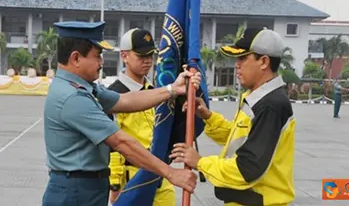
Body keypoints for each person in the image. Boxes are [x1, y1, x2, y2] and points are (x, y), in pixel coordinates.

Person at [42, 21, 200, 206]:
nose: (101, 63)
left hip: (86, 186)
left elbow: (125, 100)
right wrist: (171, 173)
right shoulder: (73, 97)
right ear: (76, 58)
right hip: (75, 191)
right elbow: (120, 142)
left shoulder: (83, 88)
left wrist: (172, 89)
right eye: (97, 56)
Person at [170, 28, 296, 206]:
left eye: (243, 58)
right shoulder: (257, 98)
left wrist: (200, 162)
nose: (236, 64)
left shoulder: (271, 105)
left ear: (264, 62)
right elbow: (239, 139)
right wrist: (208, 117)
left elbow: (247, 169)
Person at [107, 28, 175, 205]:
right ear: (124, 56)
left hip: (161, 177)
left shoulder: (155, 92)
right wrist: (114, 184)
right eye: (141, 56)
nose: (147, 61)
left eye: (150, 55)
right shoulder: (113, 95)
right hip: (132, 180)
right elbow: (111, 143)